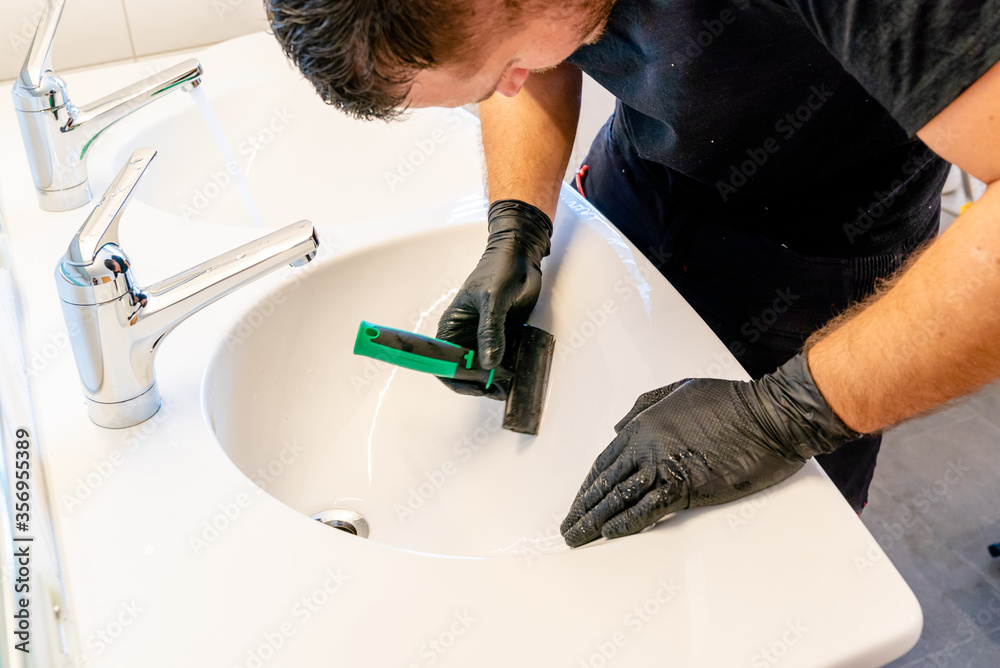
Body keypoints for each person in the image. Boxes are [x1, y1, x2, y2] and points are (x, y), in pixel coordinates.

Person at [267, 0, 1000, 547]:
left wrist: (785, 415)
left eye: (504, 70)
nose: (513, 86)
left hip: (819, 264)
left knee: (769, 566)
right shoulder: (529, 17)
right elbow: (529, 61)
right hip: (642, 188)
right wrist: (517, 225)